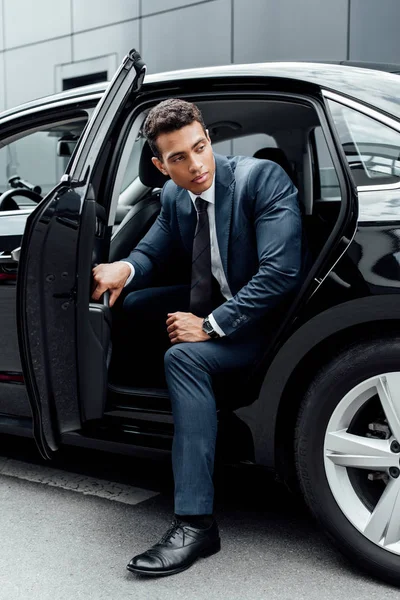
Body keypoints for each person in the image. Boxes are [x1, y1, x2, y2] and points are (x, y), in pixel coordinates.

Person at [92, 98, 304, 577]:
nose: (196, 165)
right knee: (134, 304)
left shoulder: (260, 180)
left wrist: (208, 327)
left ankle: (195, 524)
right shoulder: (173, 196)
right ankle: (168, 415)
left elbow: (280, 273)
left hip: (271, 329)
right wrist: (121, 269)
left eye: (200, 148)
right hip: (220, 310)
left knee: (183, 360)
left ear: (209, 139)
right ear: (160, 166)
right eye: (179, 159)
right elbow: (152, 248)